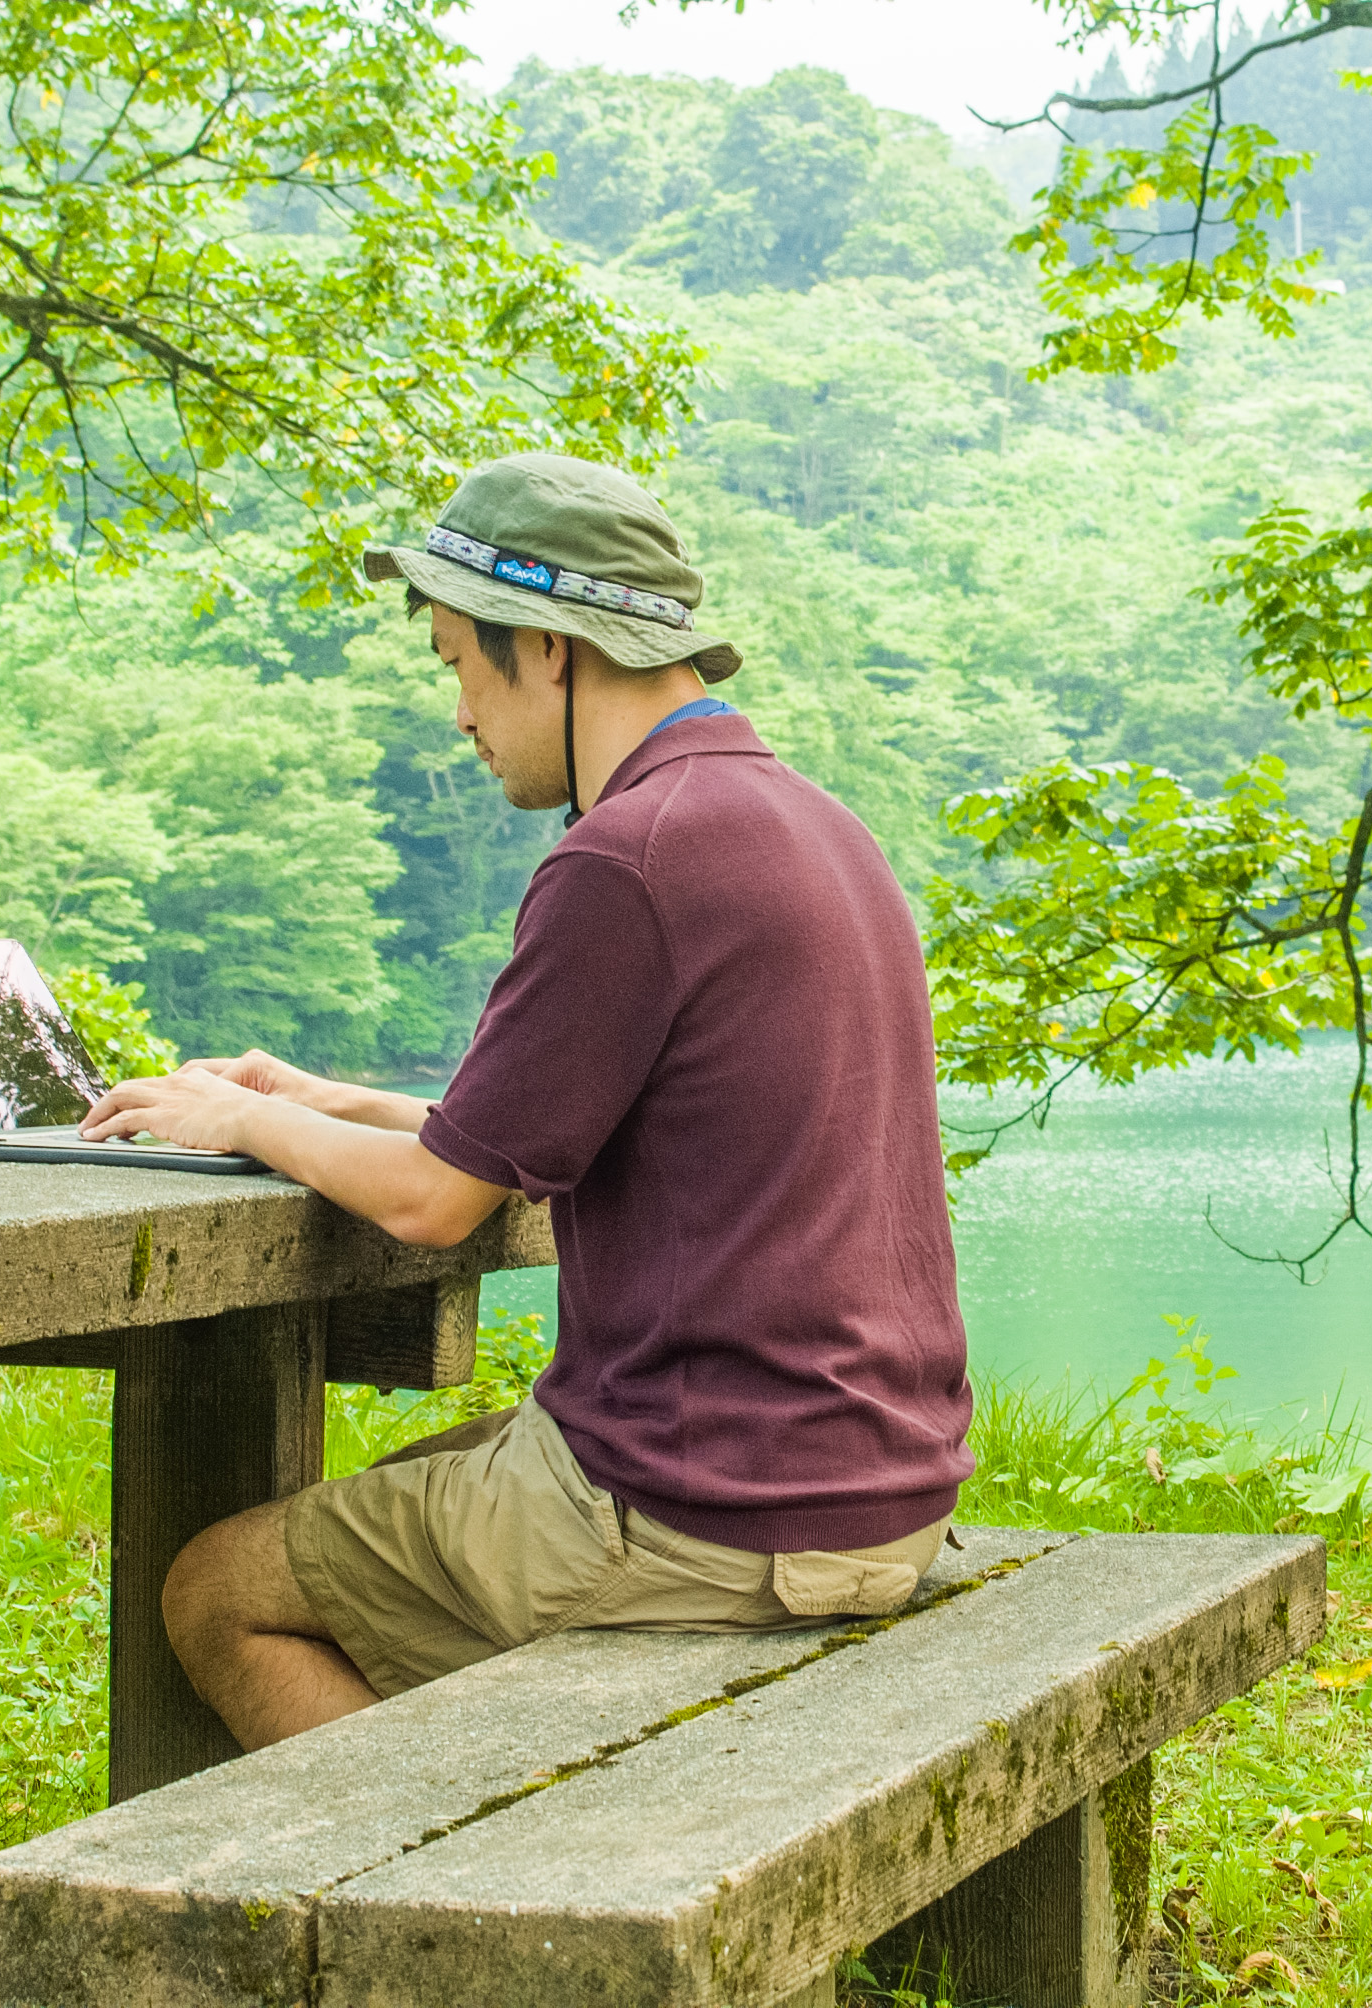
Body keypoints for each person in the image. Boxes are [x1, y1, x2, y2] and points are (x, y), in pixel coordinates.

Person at [76, 452, 973, 1748]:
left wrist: (241, 1122)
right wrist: (314, 1094)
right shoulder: (816, 831)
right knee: (397, 1496)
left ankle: (429, 1917)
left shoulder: (625, 858)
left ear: (549, 650)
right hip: (878, 1490)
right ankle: (490, 1824)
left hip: (706, 1511)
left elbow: (440, 1204)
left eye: (457, 664)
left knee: (218, 1591)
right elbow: (511, 1139)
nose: (458, 714)